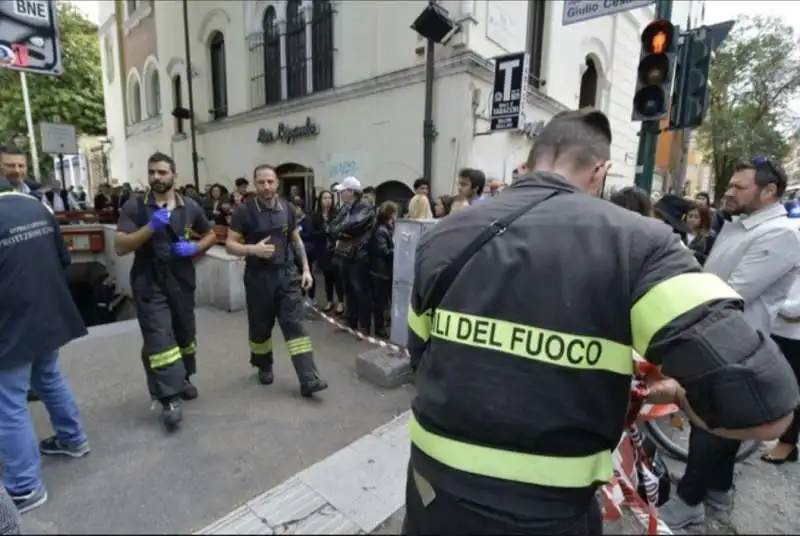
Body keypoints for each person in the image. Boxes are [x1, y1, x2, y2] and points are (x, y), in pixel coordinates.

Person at [403, 109, 799, 535]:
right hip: (545, 512)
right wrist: (678, 393)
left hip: (430, 490)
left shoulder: (444, 232)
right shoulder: (641, 244)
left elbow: (421, 353)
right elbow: (767, 409)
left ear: (531, 161)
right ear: (601, 170)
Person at [660, 156, 800, 529]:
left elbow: (731, 291)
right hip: (711, 337)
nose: (729, 191)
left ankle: (688, 502)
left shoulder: (782, 234)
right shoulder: (739, 225)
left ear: (769, 192)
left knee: (711, 427)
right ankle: (718, 493)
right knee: (717, 424)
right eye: (731, 185)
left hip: (733, 345)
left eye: (740, 187)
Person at [0, 177, 90, 514]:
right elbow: (63, 260)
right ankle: (73, 439)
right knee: (48, 377)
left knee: (8, 403)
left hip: (9, 321)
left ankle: (24, 487)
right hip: (46, 312)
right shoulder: (36, 206)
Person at [114, 152, 217, 432]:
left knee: (184, 334)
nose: (157, 177)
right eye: (152, 172)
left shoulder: (190, 206)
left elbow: (211, 234)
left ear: (174, 175)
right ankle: (168, 398)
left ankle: (182, 378)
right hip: (149, 281)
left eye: (162, 172)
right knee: (160, 338)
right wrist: (150, 228)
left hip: (181, 280)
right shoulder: (135, 207)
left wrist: (196, 247)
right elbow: (121, 245)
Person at [225, 165, 328, 396]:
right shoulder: (245, 211)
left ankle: (308, 377)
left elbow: (295, 239)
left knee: (295, 325)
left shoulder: (287, 208)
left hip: (286, 276)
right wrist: (252, 249)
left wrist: (305, 269)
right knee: (260, 327)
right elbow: (231, 245)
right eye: (261, 182)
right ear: (254, 183)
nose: (266, 187)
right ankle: (263, 365)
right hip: (257, 278)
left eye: (270, 182)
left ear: (277, 183)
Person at [330, 176, 376, 334]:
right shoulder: (345, 208)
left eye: (343, 191)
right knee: (349, 288)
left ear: (351, 191)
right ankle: (352, 320)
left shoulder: (365, 207)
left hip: (359, 255)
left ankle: (364, 326)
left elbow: (353, 226)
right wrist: (344, 234)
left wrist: (342, 232)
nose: (341, 194)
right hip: (346, 253)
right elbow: (332, 228)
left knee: (361, 290)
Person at [370, 201, 398, 339]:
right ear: (390, 214)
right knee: (380, 302)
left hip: (382, 271)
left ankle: (383, 325)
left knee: (383, 301)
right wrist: (397, 249)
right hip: (381, 272)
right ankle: (379, 328)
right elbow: (384, 251)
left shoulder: (384, 228)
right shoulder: (381, 230)